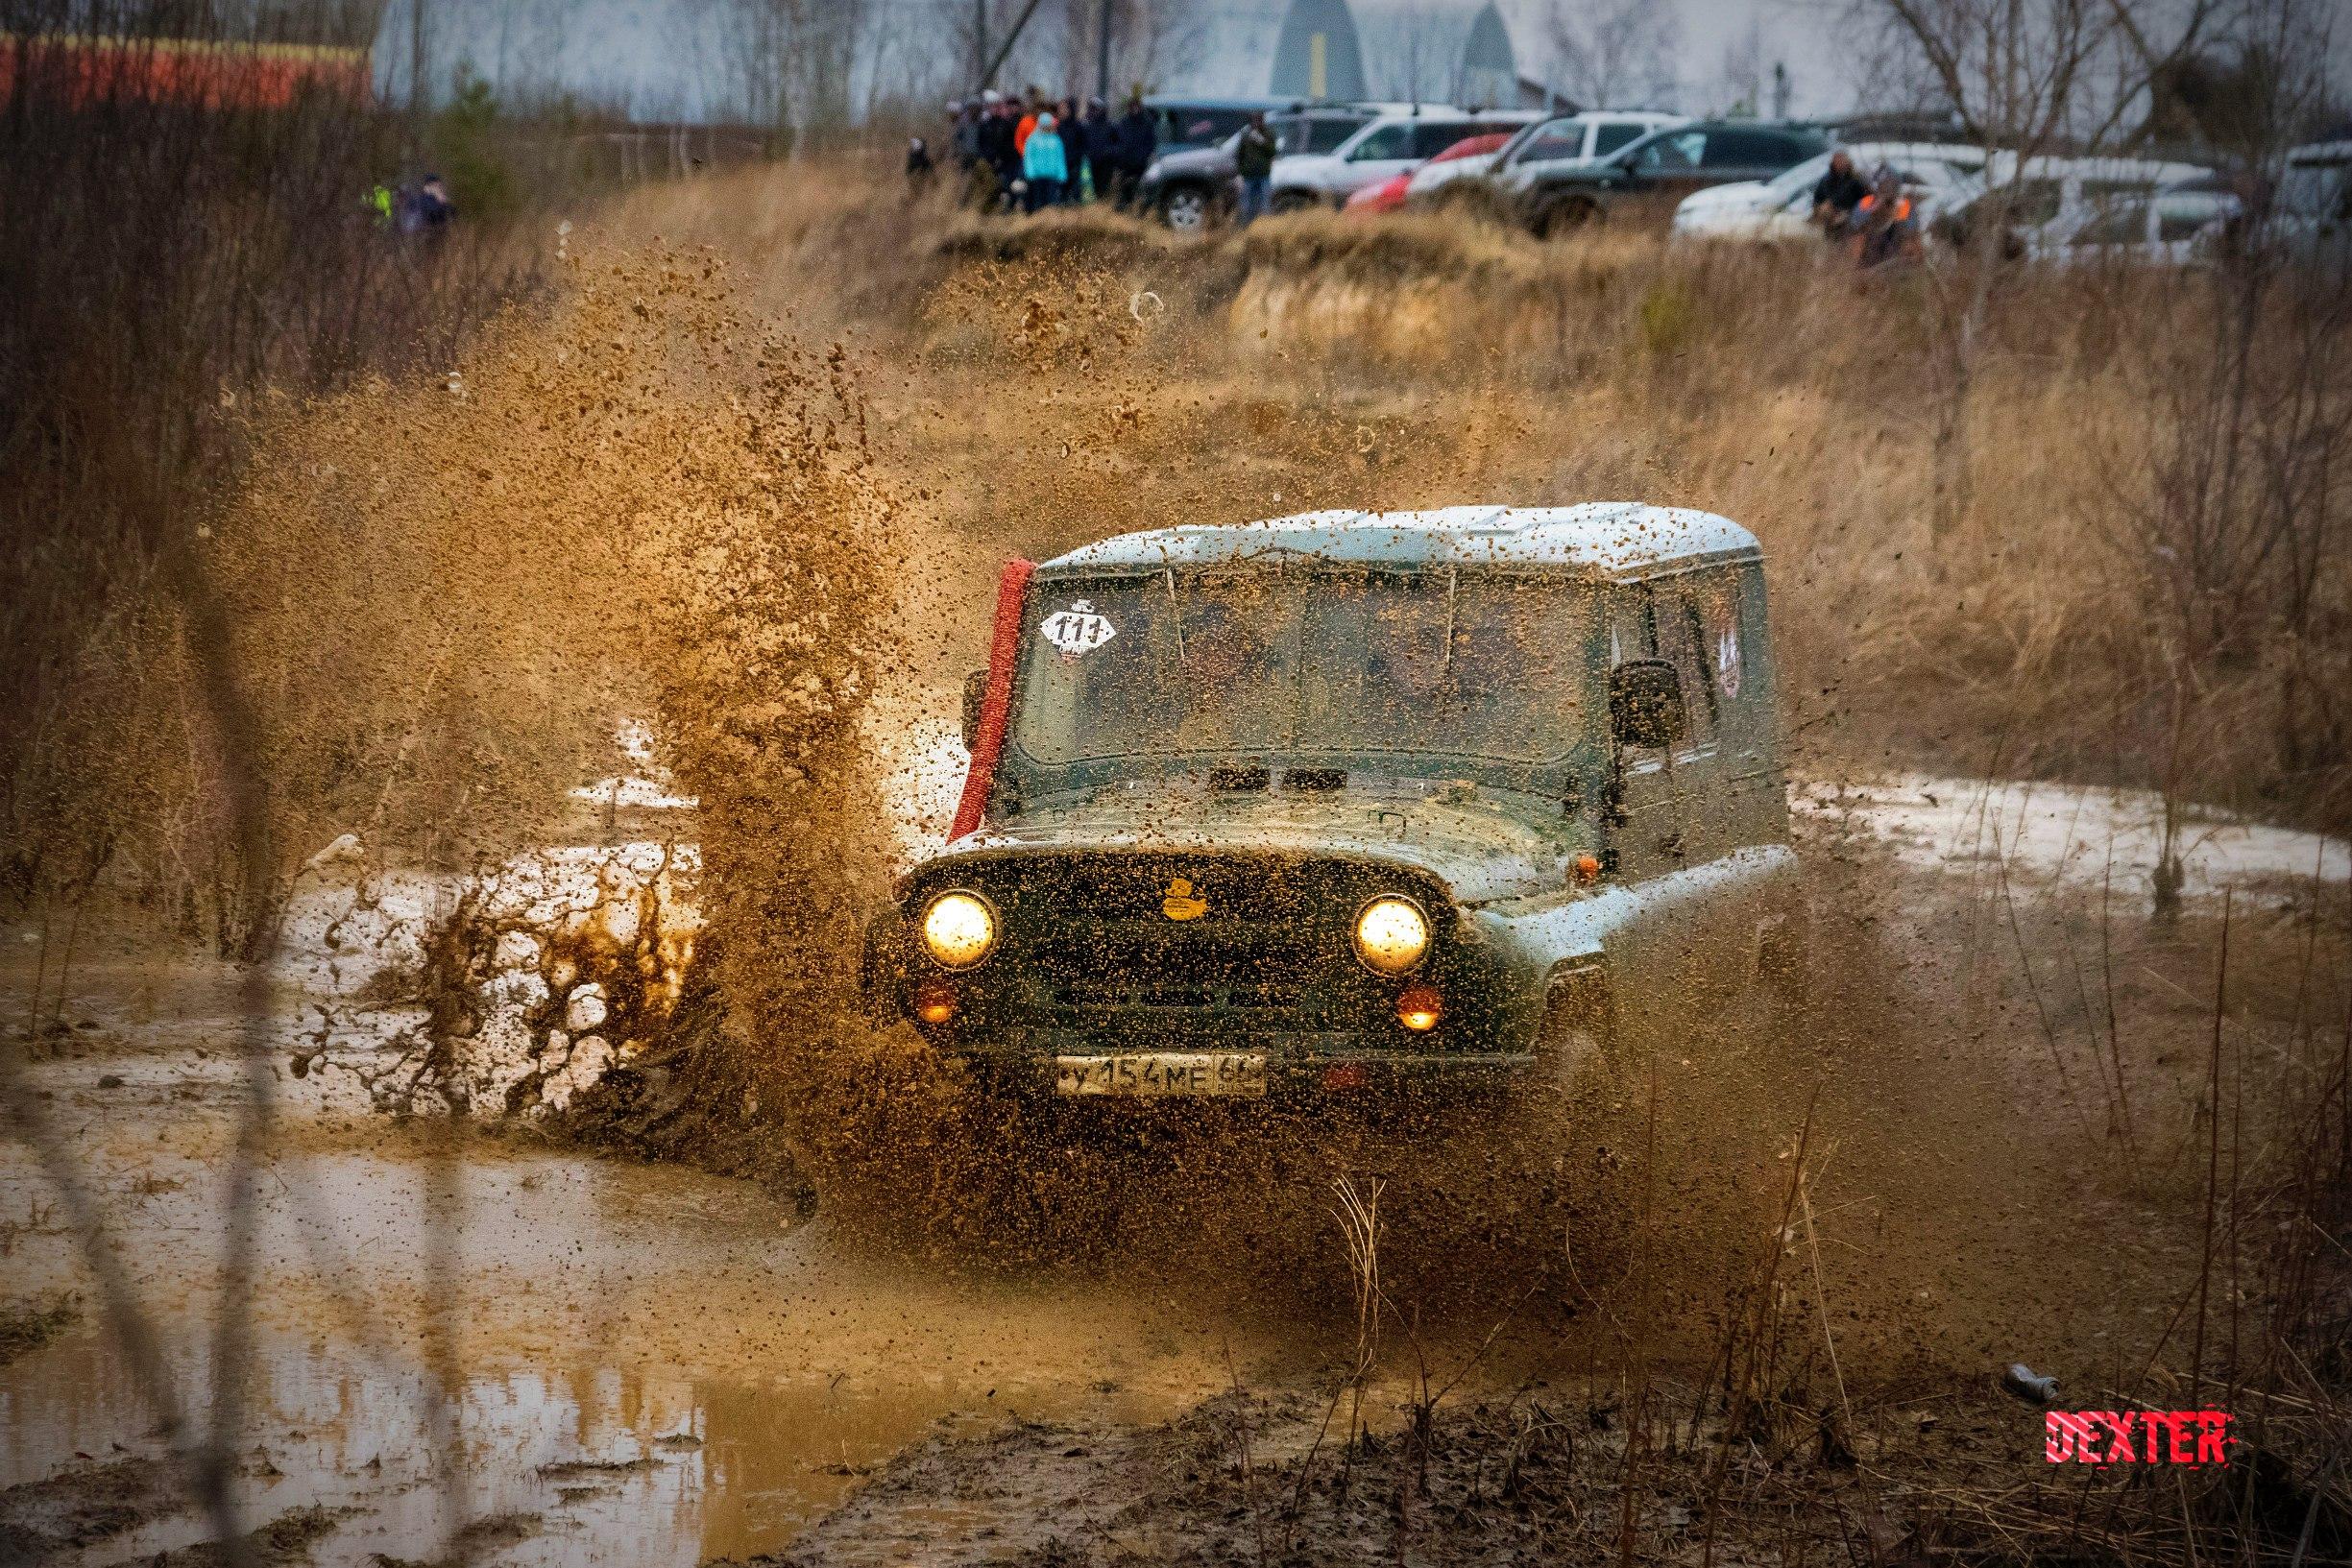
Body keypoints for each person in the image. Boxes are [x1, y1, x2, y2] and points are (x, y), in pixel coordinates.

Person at [1853, 166, 1918, 269]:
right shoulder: (1866, 202)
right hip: (1867, 256)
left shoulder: (1904, 205)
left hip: (1895, 257)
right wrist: (1875, 209)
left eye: (1891, 184)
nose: (1887, 188)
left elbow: (1911, 234)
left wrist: (1893, 213)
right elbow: (1855, 228)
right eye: (1884, 183)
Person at [1111, 91, 1156, 210]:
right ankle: (1123, 208)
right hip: (1125, 163)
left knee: (1139, 189)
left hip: (1140, 164)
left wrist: (1143, 156)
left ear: (1139, 107)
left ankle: (1139, 210)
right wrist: (1119, 154)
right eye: (1132, 107)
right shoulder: (1124, 122)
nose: (1134, 109)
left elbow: (1151, 143)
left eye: (1136, 106)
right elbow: (1117, 140)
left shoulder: (1147, 123)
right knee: (1123, 189)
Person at [1809, 150, 1868, 239]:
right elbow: (1817, 198)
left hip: (1850, 215)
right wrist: (1821, 207)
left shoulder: (1856, 179)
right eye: (1837, 160)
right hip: (1827, 214)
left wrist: (1851, 213)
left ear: (1848, 162)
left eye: (1842, 160)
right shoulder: (1826, 179)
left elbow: (1865, 199)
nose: (1839, 163)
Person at [1234, 110, 1276, 226]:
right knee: (1246, 204)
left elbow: (1272, 152)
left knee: (1265, 204)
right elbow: (1240, 155)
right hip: (1248, 175)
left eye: (1259, 120)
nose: (1257, 122)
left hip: (1263, 174)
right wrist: (1240, 174)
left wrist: (1262, 141)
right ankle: (1245, 227)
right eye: (1255, 120)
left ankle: (1263, 227)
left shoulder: (1268, 134)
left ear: (1262, 120)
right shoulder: (1246, 135)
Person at [1022, 110, 1069, 211]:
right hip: (1036, 177)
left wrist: (1062, 174)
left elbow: (1060, 158)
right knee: (1037, 202)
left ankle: (1048, 222)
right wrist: (1030, 172)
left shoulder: (1056, 140)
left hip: (1052, 176)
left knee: (1051, 202)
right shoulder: (1032, 139)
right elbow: (1028, 157)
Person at [1080, 98, 1116, 205]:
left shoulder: (1110, 126)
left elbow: (1117, 143)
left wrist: (1109, 151)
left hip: (1105, 164)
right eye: (1091, 108)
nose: (1093, 111)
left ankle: (1101, 208)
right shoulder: (1085, 125)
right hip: (1088, 162)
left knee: (1102, 190)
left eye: (1096, 109)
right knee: (1088, 189)